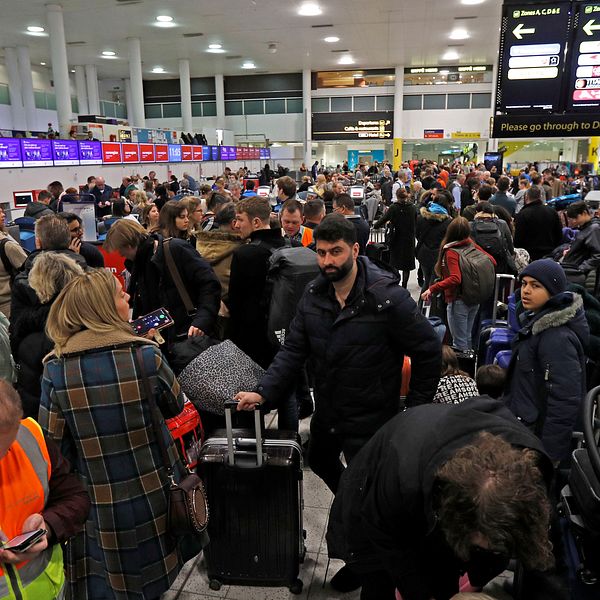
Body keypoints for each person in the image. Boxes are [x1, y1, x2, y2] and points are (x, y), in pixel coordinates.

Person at [236, 214, 441, 498]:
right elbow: (293, 351)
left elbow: (429, 350)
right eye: (321, 253)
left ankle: (356, 510)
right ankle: (349, 500)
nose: (327, 261)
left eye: (336, 252)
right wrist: (263, 392)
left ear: (355, 250)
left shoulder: (386, 299)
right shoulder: (313, 295)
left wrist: (415, 410)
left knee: (369, 484)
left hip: (372, 417)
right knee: (320, 460)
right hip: (330, 412)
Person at [39, 269, 193, 599]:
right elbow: (174, 405)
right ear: (103, 309)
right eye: (120, 295)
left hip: (94, 501)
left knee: (108, 581)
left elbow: (54, 444)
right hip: (152, 491)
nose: (127, 299)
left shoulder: (56, 369)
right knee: (151, 580)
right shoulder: (144, 356)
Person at [326, 398, 555, 600]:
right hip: (375, 495)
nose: (490, 548)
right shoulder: (403, 476)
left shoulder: (529, 472)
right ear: (457, 517)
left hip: (433, 488)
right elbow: (386, 539)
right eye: (485, 543)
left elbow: (504, 544)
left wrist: (473, 581)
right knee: (379, 582)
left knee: (443, 578)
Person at [0, 380, 90, 600]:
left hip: (51, 589)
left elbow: (75, 497)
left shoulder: (30, 437)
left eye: (6, 448)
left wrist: (48, 525)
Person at [503, 259, 588, 463]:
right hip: (525, 429)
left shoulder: (556, 338)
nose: (526, 291)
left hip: (536, 441)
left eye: (536, 285)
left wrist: (549, 457)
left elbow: (564, 401)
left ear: (553, 291)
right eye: (524, 284)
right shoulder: (536, 324)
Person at [104, 219, 221, 345]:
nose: (122, 255)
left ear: (129, 245)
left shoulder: (175, 249)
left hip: (189, 334)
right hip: (164, 339)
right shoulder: (138, 265)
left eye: (121, 251)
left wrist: (203, 319)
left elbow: (209, 284)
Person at [226, 197, 289, 369]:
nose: (236, 225)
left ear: (255, 222)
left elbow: (236, 304)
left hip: (254, 341)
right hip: (288, 337)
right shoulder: (291, 246)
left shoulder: (245, 254)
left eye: (240, 219)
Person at [421, 217, 496, 351]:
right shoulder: (471, 244)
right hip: (474, 298)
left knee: (459, 342)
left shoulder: (450, 252)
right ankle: (468, 367)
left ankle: (460, 369)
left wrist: (432, 289)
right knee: (467, 337)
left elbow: (455, 278)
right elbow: (491, 261)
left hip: (458, 300)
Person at [10, 215, 88, 333]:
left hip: (39, 347)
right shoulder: (90, 274)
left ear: (38, 242)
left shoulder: (23, 281)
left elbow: (17, 329)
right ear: (68, 239)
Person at [373, 188, 417, 288]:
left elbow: (384, 219)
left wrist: (375, 226)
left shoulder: (394, 208)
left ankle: (395, 283)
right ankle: (405, 285)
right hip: (409, 239)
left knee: (394, 262)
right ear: (407, 196)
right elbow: (416, 222)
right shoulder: (413, 208)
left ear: (397, 196)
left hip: (396, 238)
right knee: (407, 266)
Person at [416, 195, 452, 297]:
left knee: (427, 279)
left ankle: (421, 306)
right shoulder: (448, 222)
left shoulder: (421, 218)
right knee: (434, 282)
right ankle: (431, 308)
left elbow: (417, 234)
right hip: (439, 254)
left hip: (423, 252)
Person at [514, 187, 562, 262]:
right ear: (540, 196)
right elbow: (559, 234)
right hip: (550, 254)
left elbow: (518, 238)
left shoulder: (523, 214)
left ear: (526, 197)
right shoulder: (552, 212)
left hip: (529, 255)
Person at [470, 201, 514, 274]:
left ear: (476, 212)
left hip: (477, 267)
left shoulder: (470, 225)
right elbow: (510, 248)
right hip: (499, 266)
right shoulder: (502, 223)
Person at [0, 206, 28, 317]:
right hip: (9, 306)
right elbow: (29, 271)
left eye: (2, 211)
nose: (3, 215)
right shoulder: (8, 246)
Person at [562, 200, 600, 279]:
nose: (574, 221)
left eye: (575, 217)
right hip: (572, 270)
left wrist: (580, 269)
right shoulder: (585, 228)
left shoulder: (593, 228)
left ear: (584, 213)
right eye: (572, 218)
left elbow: (597, 255)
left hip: (576, 274)